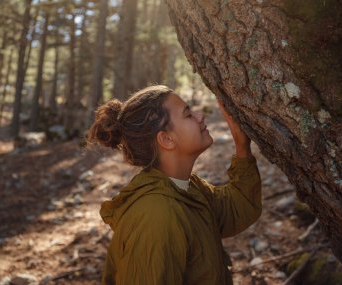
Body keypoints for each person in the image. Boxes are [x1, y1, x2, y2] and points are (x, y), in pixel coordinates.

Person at [86, 85, 262, 285]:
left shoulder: (185, 187)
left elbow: (234, 210)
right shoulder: (156, 216)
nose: (200, 117)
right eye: (188, 115)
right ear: (167, 139)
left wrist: (242, 147)